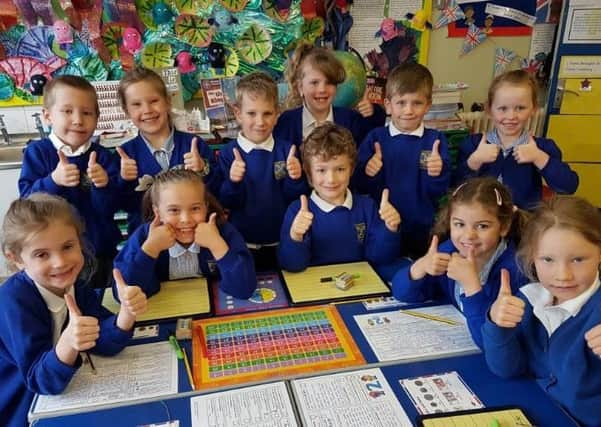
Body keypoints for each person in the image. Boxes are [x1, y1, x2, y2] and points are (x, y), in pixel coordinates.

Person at [0, 193, 147, 427]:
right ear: (16, 259)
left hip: (63, 394)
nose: (60, 262)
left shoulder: (74, 283)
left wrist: (126, 315)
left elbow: (102, 340)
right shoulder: (13, 302)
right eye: (41, 254)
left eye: (68, 246)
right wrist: (68, 343)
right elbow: (41, 381)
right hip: (22, 408)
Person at [482, 196, 601, 427]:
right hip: (532, 411)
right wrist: (498, 326)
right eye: (548, 259)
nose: (562, 275)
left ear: (599, 254)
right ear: (532, 258)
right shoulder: (529, 298)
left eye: (578, 259)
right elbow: (507, 369)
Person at [392, 177, 527, 347]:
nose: (469, 235)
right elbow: (402, 293)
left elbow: (492, 344)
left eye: (482, 226)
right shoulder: (449, 250)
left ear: (504, 226)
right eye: (459, 224)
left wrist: (471, 286)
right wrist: (420, 267)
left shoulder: (516, 272)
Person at [18, 75, 121, 288]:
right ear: (47, 116)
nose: (77, 120)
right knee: (69, 309)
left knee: (106, 305)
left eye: (86, 113)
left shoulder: (102, 157)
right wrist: (53, 181)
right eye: (67, 111)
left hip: (102, 251)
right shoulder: (38, 153)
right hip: (58, 261)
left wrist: (103, 186)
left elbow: (110, 208)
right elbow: (26, 204)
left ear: (97, 117)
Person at [278, 123, 404, 281]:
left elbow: (379, 258)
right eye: (321, 170)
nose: (331, 179)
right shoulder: (297, 211)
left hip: (359, 287)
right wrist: (295, 235)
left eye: (340, 169)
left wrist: (390, 229)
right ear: (308, 172)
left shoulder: (367, 207)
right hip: (315, 290)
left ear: (351, 169)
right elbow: (292, 265)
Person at [354, 63, 450, 258]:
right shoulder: (375, 138)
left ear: (428, 105)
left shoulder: (435, 141)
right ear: (388, 105)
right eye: (401, 103)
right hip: (381, 226)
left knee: (418, 277)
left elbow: (440, 190)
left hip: (422, 227)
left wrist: (436, 174)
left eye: (417, 103)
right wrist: (369, 173)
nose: (408, 110)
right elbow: (358, 185)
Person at [114, 169, 256, 299]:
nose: (186, 219)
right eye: (174, 210)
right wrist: (150, 250)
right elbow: (123, 294)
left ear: (206, 207)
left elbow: (244, 289)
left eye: (195, 208)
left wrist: (217, 245)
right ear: (158, 212)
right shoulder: (144, 237)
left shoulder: (223, 232)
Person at [218, 72, 307, 270]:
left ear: (276, 114)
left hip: (281, 242)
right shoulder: (228, 154)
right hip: (242, 244)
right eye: (251, 113)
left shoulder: (286, 150)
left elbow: (295, 198)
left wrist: (295, 178)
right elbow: (227, 203)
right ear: (238, 113)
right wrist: (233, 182)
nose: (260, 122)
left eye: (267, 113)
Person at [116, 66, 221, 234]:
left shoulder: (194, 145)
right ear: (126, 111)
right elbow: (124, 205)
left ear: (167, 101)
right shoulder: (125, 155)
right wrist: (124, 180)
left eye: (153, 101)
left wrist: (203, 170)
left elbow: (215, 193)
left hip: (194, 238)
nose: (147, 110)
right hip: (149, 242)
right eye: (136, 104)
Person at [455, 69, 578, 209]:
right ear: (489, 109)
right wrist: (474, 161)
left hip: (523, 224)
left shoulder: (542, 147)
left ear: (533, 109)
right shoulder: (472, 145)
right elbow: (456, 187)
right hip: (481, 224)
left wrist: (539, 157)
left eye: (520, 108)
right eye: (502, 108)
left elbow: (568, 186)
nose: (511, 116)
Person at [273, 42, 385, 147]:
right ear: (300, 87)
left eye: (329, 82)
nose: (322, 89)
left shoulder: (350, 120)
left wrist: (372, 112)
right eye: (314, 82)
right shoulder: (286, 122)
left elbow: (372, 138)